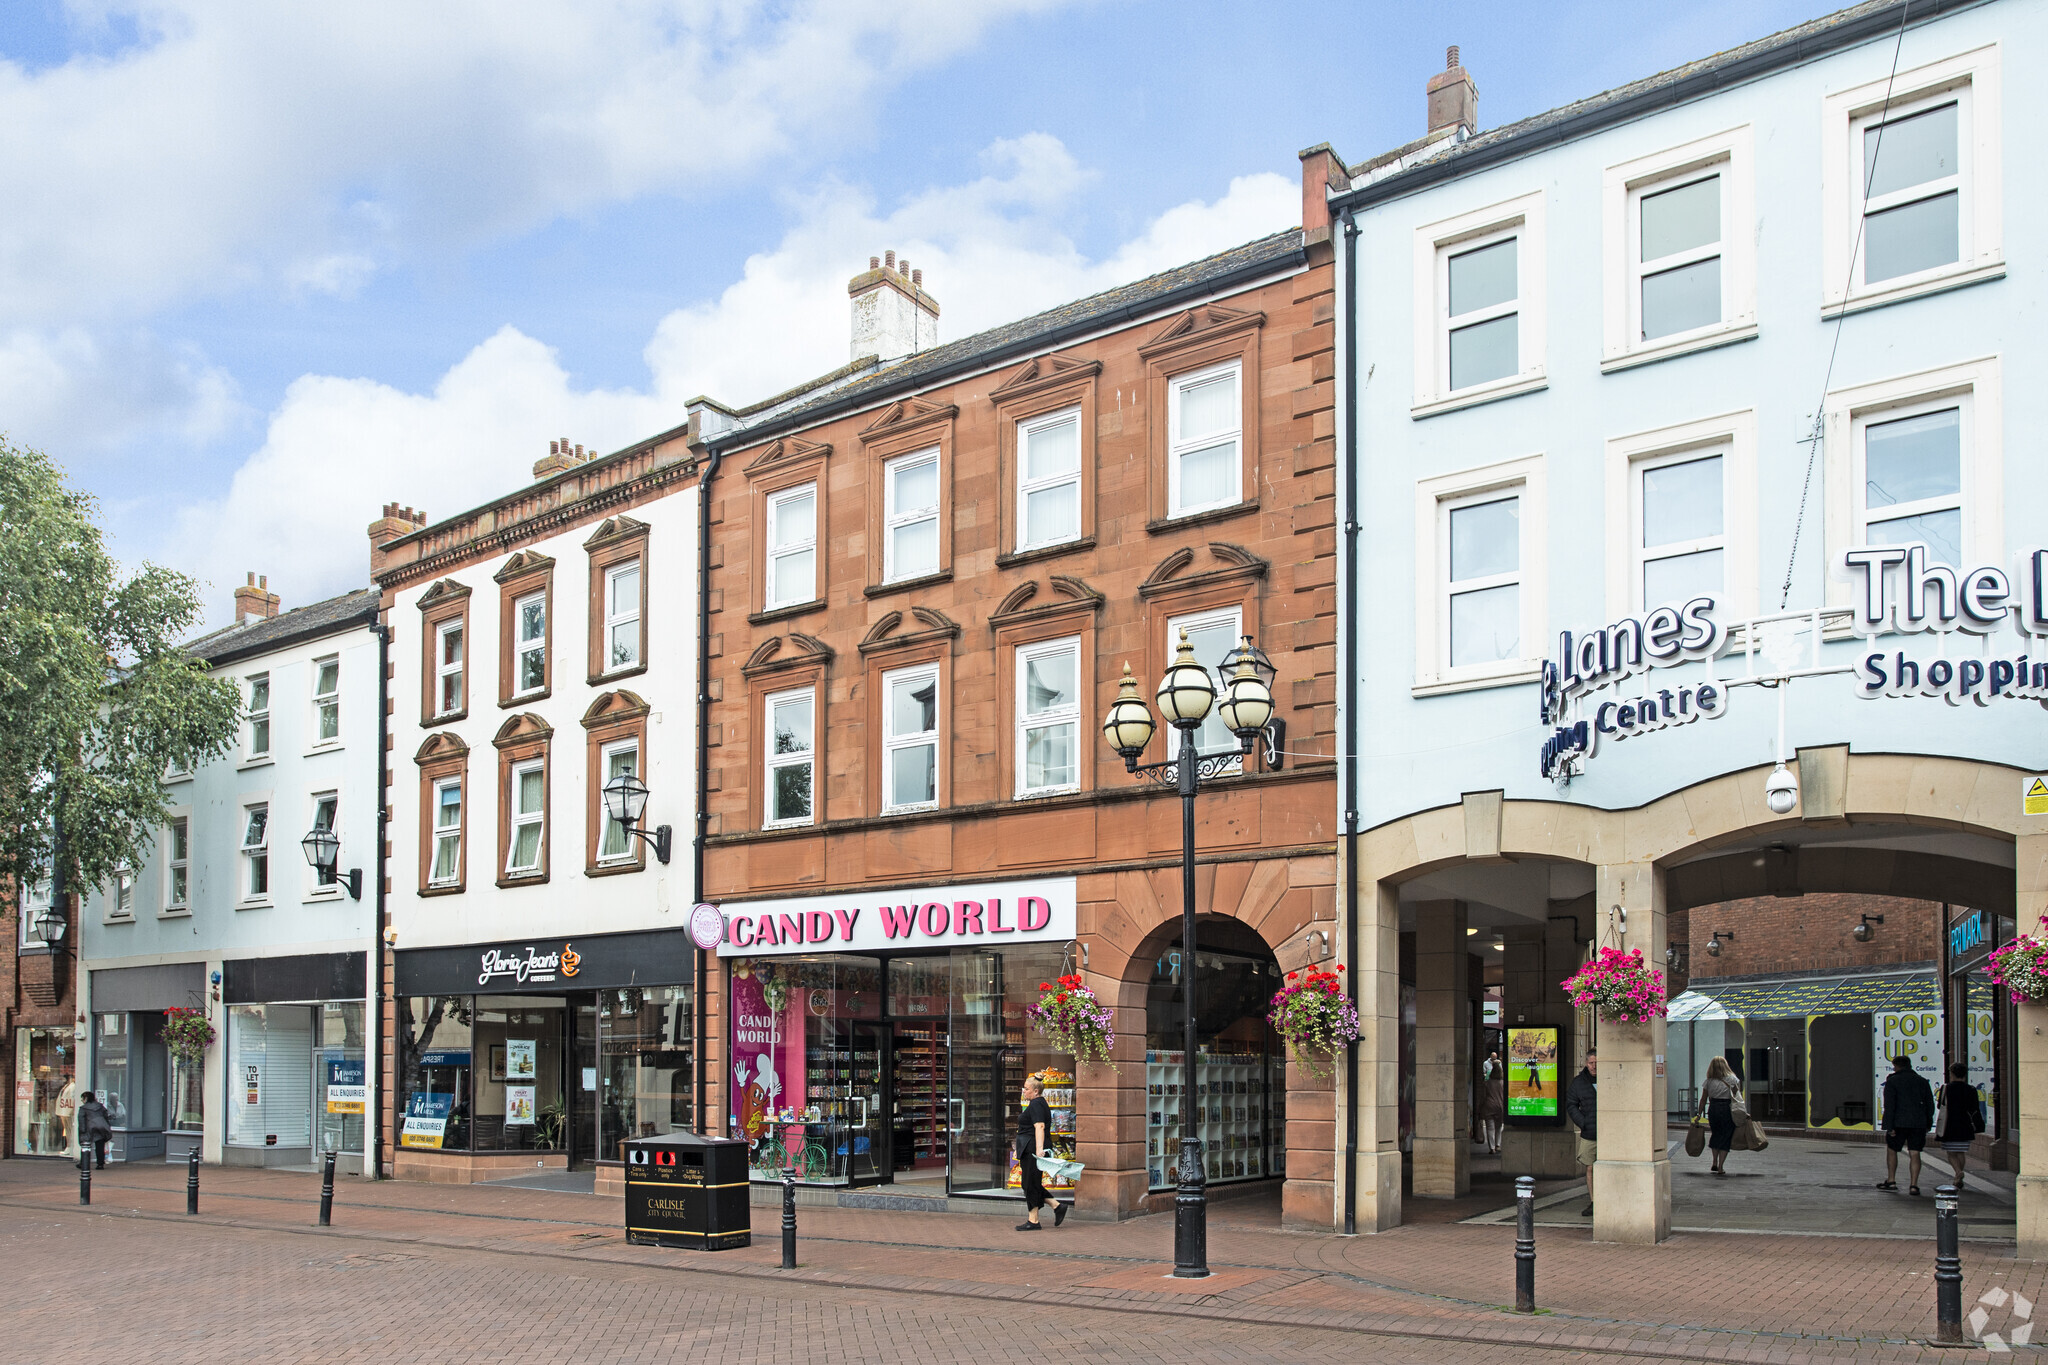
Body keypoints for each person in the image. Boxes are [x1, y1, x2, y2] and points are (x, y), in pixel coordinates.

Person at [1878, 1053, 1936, 1196]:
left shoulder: (1893, 1081)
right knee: (1915, 1152)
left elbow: (1890, 1105)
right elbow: (1930, 1104)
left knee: (1892, 1149)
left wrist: (1889, 1126)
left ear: (1896, 1066)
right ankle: (1914, 1185)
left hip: (1898, 1122)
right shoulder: (1922, 1081)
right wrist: (1928, 1123)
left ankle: (1891, 1180)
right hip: (1918, 1122)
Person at [1014, 1076, 1066, 1232]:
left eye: (1027, 1089)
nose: (1024, 1091)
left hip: (1032, 1149)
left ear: (1036, 1091)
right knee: (1031, 1183)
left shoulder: (1036, 1104)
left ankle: (1034, 1220)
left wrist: (1039, 1149)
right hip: (1028, 1147)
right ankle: (1056, 1206)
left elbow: (1040, 1127)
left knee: (1029, 1183)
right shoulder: (1038, 1102)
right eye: (1023, 1088)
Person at [1936, 1062, 1986, 1191]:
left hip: (1949, 1124)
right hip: (1965, 1124)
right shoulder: (1971, 1089)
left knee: (1951, 1153)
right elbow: (1974, 1108)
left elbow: (1940, 1105)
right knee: (1960, 1151)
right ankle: (1958, 1175)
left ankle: (1958, 1172)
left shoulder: (1946, 1088)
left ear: (1952, 1074)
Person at [1564, 1048, 1598, 1217]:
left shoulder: (1608, 1078)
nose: (1594, 1066)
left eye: (1597, 1063)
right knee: (1590, 1167)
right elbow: (1571, 1104)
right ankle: (1594, 1201)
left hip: (1609, 1132)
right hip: (1589, 1132)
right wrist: (1583, 1122)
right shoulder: (1579, 1082)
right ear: (1586, 1063)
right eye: (1591, 1063)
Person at [1698, 1056, 1741, 1177]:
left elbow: (1703, 1100)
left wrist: (1698, 1114)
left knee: (1716, 1134)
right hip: (1727, 1109)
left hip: (1713, 1108)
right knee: (1726, 1136)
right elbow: (1738, 1097)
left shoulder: (1709, 1081)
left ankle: (1714, 1161)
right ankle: (1721, 1166)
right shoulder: (1733, 1080)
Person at [77, 1088, 114, 1170]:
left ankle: (83, 1163)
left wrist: (82, 1131)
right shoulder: (100, 1106)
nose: (82, 1100)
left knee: (85, 1146)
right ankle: (100, 1164)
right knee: (100, 1147)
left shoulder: (83, 1108)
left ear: (85, 1098)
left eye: (82, 1098)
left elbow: (82, 1121)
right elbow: (106, 1116)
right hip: (100, 1128)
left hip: (89, 1129)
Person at [1476, 1051, 1505, 1154]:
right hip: (1500, 1106)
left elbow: (1483, 1096)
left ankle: (1491, 1148)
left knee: (1490, 1127)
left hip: (1489, 1106)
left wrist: (1480, 1107)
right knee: (1498, 1127)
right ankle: (1498, 1145)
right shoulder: (1503, 1083)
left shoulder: (1487, 1083)